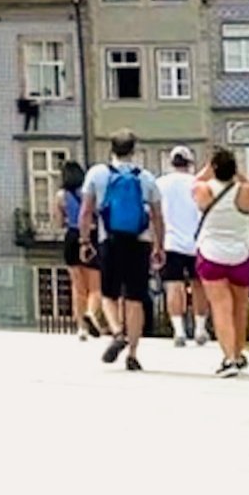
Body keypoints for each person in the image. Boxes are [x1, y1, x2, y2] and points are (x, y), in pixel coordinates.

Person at [81, 132, 155, 372]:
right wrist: (160, 245)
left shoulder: (97, 174)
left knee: (108, 294)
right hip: (140, 240)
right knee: (135, 299)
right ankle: (133, 354)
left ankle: (117, 332)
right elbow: (158, 215)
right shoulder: (145, 178)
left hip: (109, 239)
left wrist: (84, 241)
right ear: (134, 150)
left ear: (110, 149)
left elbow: (86, 211)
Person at [191, 147, 249, 375]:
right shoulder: (245, 193)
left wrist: (206, 171)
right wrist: (240, 175)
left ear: (213, 168)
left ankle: (228, 357)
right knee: (239, 308)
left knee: (221, 307)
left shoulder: (204, 190)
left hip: (212, 253)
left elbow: (194, 183)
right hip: (241, 253)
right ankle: (239, 352)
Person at [155, 145, 207, 346]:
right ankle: (200, 329)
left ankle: (179, 331)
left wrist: (156, 244)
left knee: (173, 286)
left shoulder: (161, 184)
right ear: (190, 163)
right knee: (200, 285)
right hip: (197, 242)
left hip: (171, 242)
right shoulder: (198, 184)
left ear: (172, 163)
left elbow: (154, 214)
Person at [57, 158, 102, 338]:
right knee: (96, 287)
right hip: (90, 235)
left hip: (71, 236)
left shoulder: (60, 196)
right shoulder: (89, 193)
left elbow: (59, 222)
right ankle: (91, 313)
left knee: (78, 287)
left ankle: (81, 328)